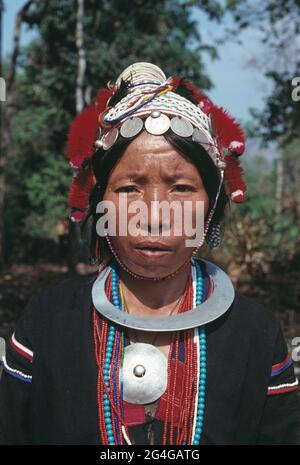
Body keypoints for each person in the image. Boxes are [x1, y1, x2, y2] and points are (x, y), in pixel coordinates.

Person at [0, 62, 299, 445]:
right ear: (99, 203)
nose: (155, 215)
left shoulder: (256, 335)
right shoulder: (47, 322)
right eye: (128, 189)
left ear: (211, 207)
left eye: (181, 189)